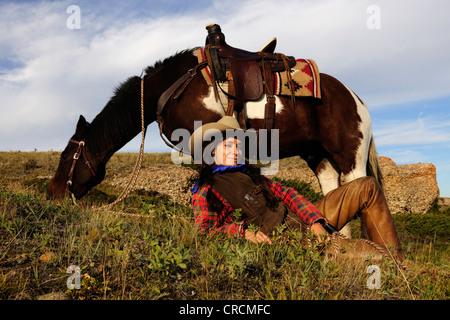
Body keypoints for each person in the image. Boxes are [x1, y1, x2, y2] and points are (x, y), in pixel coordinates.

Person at [189, 116, 404, 261]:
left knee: (367, 186)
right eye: (228, 145)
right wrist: (241, 232)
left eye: (238, 145)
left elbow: (288, 194)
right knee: (379, 256)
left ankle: (397, 259)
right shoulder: (206, 191)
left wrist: (315, 221)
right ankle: (400, 267)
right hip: (292, 241)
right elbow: (205, 232)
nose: (235, 151)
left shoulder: (251, 174)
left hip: (305, 221)